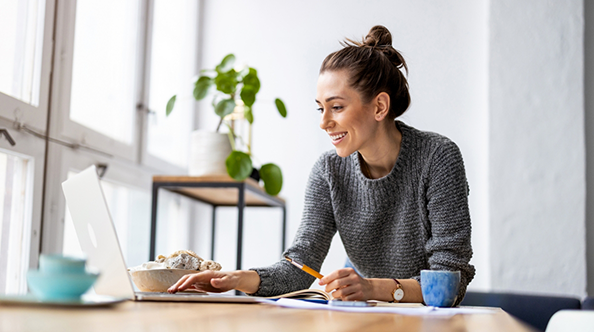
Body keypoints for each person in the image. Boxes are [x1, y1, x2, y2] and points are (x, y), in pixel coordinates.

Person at [168, 25, 475, 304]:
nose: (324, 123)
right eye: (320, 109)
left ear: (379, 106)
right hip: (366, 316)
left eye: (336, 107)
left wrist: (370, 288)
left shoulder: (438, 157)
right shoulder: (329, 171)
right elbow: (301, 266)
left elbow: (450, 281)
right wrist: (239, 279)